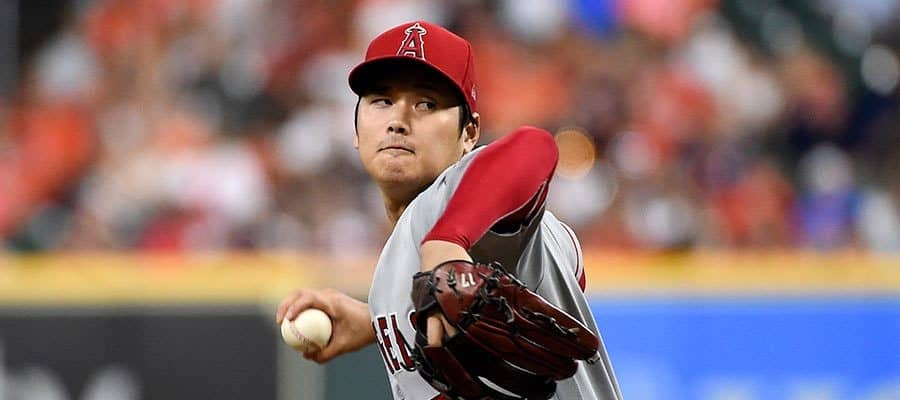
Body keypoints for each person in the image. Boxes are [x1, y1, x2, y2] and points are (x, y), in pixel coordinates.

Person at [276, 21, 622, 399]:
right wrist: (377, 322)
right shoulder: (400, 262)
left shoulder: (459, 204)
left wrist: (446, 243)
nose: (398, 121)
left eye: (427, 103)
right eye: (382, 101)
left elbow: (533, 147)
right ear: (356, 131)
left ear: (469, 134)